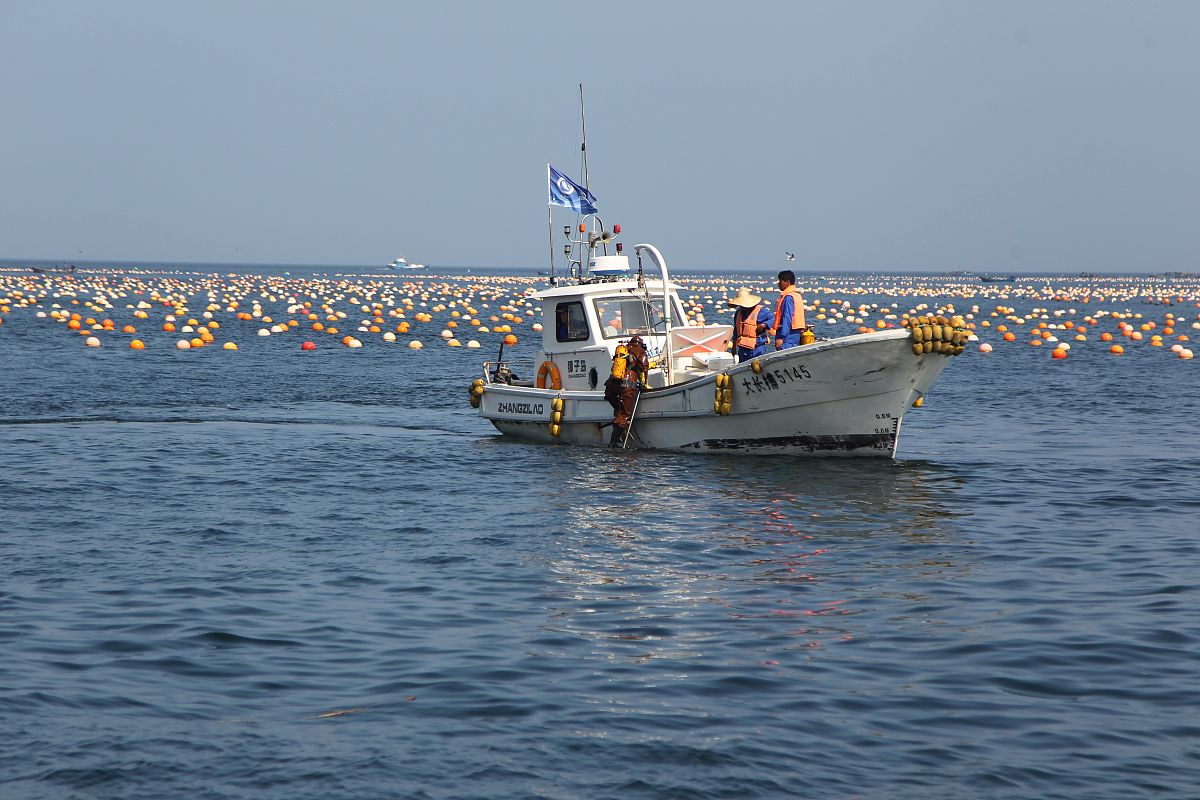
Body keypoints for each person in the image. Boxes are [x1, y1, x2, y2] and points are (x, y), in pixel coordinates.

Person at [604, 335, 649, 447]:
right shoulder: (640, 351)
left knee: (619, 411)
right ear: (640, 344)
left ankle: (617, 426)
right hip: (626, 386)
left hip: (612, 384)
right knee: (624, 415)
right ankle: (612, 444)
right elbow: (644, 367)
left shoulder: (623, 349)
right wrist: (644, 383)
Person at [726, 287, 773, 362]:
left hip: (757, 347)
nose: (742, 306)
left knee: (759, 368)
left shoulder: (760, 311)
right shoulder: (738, 313)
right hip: (743, 349)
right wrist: (734, 347)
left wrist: (764, 325)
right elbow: (736, 331)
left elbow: (773, 319)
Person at [773, 269, 807, 350]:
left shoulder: (788, 298)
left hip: (787, 337)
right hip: (795, 335)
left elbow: (787, 318)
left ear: (787, 282)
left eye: (780, 281)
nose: (778, 283)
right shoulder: (797, 296)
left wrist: (781, 337)